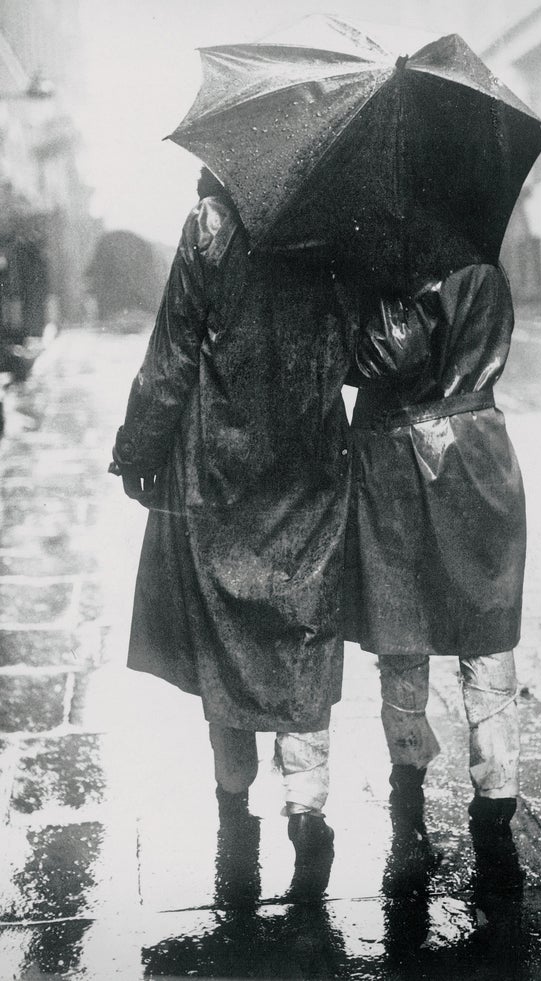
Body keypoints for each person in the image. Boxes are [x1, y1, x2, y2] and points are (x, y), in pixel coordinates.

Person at [109, 167, 355, 891]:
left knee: (228, 634)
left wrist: (137, 450)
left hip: (221, 469)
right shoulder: (334, 232)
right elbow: (360, 347)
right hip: (310, 462)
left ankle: (233, 800)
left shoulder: (209, 227)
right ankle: (307, 810)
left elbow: (174, 352)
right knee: (303, 630)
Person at [345, 258, 526, 856]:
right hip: (479, 448)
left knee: (402, 635)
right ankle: (497, 801)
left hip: (398, 453)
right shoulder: (486, 268)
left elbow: (385, 358)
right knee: (487, 627)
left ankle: (408, 796)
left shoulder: (395, 270)